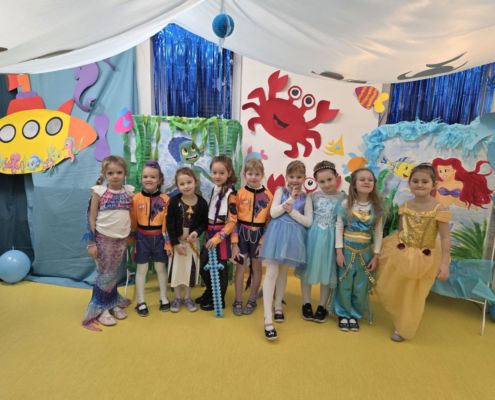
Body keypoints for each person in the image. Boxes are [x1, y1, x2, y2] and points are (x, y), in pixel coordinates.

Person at [376, 163, 451, 342]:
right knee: (394, 288)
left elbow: (445, 238)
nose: (419, 184)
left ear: (434, 185)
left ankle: (403, 327)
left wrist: (445, 263)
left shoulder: (439, 209)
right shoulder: (405, 206)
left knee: (414, 294)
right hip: (402, 253)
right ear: (409, 184)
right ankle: (398, 315)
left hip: (425, 257)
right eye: (415, 181)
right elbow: (401, 231)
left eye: (424, 181)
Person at [259, 160, 313, 340]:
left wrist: (292, 211)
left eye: (299, 177)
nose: (295, 180)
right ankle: (267, 319)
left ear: (304, 178)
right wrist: (290, 200)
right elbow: (273, 213)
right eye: (292, 176)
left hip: (293, 238)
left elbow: (308, 222)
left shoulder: (307, 198)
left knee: (283, 272)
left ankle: (278, 306)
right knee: (272, 273)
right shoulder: (280, 191)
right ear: (286, 176)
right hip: (277, 234)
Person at [82, 155, 133, 331]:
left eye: (119, 172)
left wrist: (130, 235)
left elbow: (129, 215)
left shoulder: (128, 192)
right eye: (110, 173)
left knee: (113, 273)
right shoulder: (99, 192)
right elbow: (90, 217)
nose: (115, 176)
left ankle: (112, 303)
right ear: (104, 174)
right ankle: (100, 308)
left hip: (121, 239)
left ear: (125, 173)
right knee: (104, 274)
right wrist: (91, 243)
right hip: (103, 238)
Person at [332, 168, 383, 333]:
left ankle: (354, 314)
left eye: (370, 179)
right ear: (354, 184)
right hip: (347, 251)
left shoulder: (376, 207)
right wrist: (339, 252)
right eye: (362, 179)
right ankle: (343, 313)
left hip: (365, 253)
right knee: (344, 283)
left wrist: (376, 255)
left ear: (374, 184)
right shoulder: (346, 204)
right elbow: (339, 227)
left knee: (360, 285)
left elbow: (378, 232)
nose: (366, 182)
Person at [299, 161, 345, 323]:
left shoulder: (343, 197)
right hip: (313, 237)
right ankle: (306, 302)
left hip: (332, 238)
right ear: (316, 182)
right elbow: (307, 217)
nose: (326, 184)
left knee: (328, 270)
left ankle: (322, 305)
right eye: (322, 181)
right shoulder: (313, 196)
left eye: (329, 180)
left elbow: (343, 221)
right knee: (307, 269)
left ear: (337, 177)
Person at [231, 158, 273, 316]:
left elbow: (270, 221)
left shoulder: (268, 195)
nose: (253, 177)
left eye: (257, 174)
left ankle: (252, 299)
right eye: (250, 174)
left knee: (256, 268)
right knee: (240, 268)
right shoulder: (239, 194)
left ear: (262, 175)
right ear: (244, 175)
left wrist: (263, 241)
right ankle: (238, 300)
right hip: (242, 236)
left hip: (259, 237)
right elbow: (233, 220)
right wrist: (234, 243)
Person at [196, 155, 238, 311]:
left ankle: (219, 299)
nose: (217, 176)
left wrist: (218, 237)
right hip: (210, 232)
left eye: (221, 173)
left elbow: (232, 221)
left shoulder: (231, 194)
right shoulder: (215, 188)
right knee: (204, 265)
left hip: (221, 236)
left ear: (229, 173)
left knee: (220, 269)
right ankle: (210, 292)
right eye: (214, 173)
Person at [131, 161, 172, 317]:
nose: (149, 179)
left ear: (159, 180)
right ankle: (141, 301)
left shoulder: (166, 199)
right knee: (141, 270)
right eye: (145, 176)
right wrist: (132, 237)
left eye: (153, 177)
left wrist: (168, 242)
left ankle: (164, 298)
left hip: (160, 238)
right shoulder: (135, 199)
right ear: (141, 178)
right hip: (141, 238)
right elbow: (133, 220)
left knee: (161, 268)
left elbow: (167, 223)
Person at [166, 168, 208, 313]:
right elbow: (170, 224)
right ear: (177, 186)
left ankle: (188, 297)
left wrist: (196, 232)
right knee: (177, 271)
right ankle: (177, 298)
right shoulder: (174, 202)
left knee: (190, 270)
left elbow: (204, 223)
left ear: (195, 182)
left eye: (189, 182)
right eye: (182, 184)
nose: (186, 186)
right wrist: (175, 244)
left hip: (192, 244)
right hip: (177, 244)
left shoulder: (202, 203)